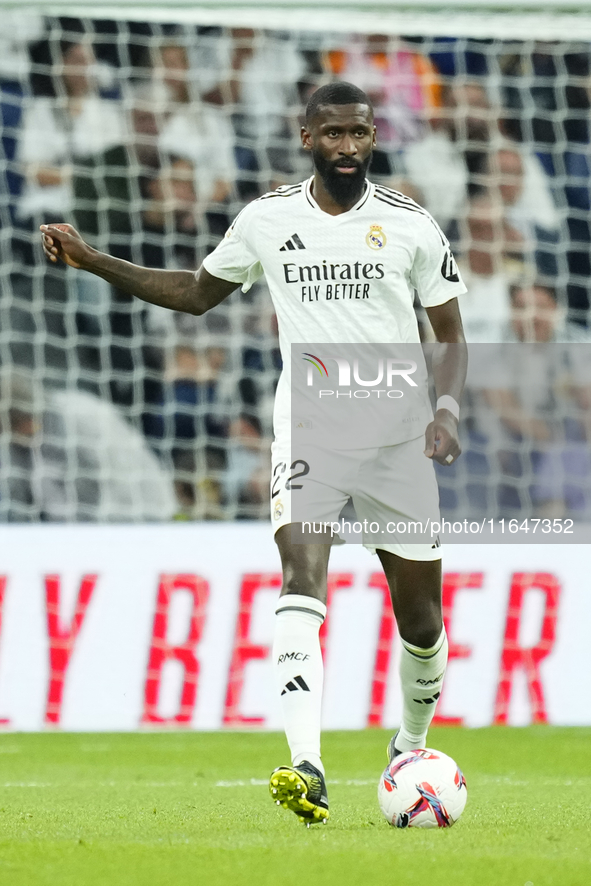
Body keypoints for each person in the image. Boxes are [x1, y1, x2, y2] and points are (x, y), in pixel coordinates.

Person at [40, 81, 467, 827]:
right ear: (305, 137)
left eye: (359, 134)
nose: (347, 148)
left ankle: (409, 747)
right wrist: (92, 259)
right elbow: (195, 293)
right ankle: (307, 765)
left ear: (372, 138)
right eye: (332, 134)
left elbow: (451, 335)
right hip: (311, 432)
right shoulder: (267, 219)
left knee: (421, 621)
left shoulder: (411, 227)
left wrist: (447, 409)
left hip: (398, 438)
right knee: (301, 579)